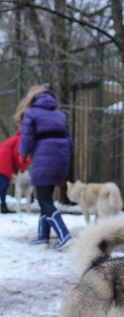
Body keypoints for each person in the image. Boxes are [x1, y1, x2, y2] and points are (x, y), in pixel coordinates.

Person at [18, 84, 73, 248]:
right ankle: (43, 236)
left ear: (33, 98)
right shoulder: (60, 114)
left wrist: (23, 152)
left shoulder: (31, 113)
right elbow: (70, 141)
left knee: (43, 199)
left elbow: (26, 139)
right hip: (61, 160)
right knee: (46, 197)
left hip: (43, 159)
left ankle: (64, 235)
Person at [0, 130, 30, 213]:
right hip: (3, 163)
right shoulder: (19, 139)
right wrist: (22, 167)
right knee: (2, 186)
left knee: (3, 186)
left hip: (3, 162)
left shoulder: (15, 138)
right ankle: (3, 207)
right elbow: (18, 154)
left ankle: (3, 206)